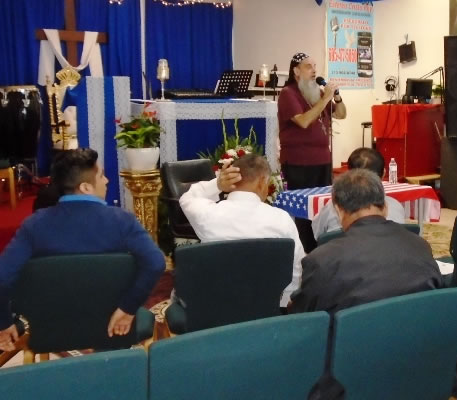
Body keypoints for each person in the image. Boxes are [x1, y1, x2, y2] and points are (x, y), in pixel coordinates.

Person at [0, 149, 165, 352]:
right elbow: (156, 263)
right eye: (101, 176)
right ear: (86, 187)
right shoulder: (122, 221)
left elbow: (2, 278)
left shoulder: (34, 225)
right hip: (113, 326)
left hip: (51, 331)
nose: (106, 181)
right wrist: (128, 308)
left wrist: (4, 322)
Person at [290, 169, 442, 314]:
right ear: (385, 207)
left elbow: (303, 317)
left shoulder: (322, 259)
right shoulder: (420, 245)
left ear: (339, 210)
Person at [179, 154, 304, 308]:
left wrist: (216, 185)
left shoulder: (208, 215)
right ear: (262, 182)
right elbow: (296, 268)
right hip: (266, 308)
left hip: (215, 308)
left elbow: (187, 198)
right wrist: (283, 304)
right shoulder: (281, 219)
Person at [278, 52, 347, 253]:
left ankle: (323, 248)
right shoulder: (288, 93)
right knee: (304, 212)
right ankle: (306, 251)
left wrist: (336, 96)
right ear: (296, 71)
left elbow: (341, 114)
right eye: (309, 66)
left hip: (322, 161)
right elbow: (304, 121)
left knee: (324, 206)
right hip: (299, 163)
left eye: (315, 66)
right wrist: (325, 99)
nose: (314, 70)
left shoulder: (316, 92)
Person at [312, 148, 405, 239]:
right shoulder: (395, 205)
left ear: (349, 174)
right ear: (384, 173)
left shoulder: (334, 206)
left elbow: (318, 234)